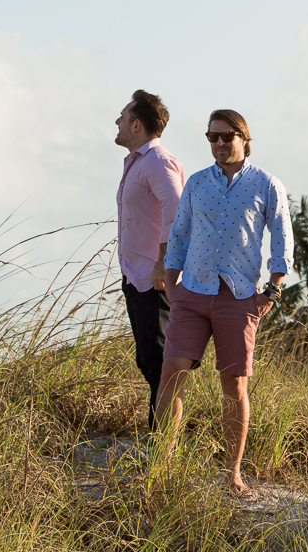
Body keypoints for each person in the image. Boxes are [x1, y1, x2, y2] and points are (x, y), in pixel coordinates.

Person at [155, 109, 293, 494]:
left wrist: (273, 290)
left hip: (239, 298)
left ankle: (232, 474)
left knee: (233, 385)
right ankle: (162, 468)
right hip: (192, 294)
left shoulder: (266, 184)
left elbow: (282, 237)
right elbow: (179, 232)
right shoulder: (198, 183)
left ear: (243, 138)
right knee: (172, 374)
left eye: (225, 137)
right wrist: (171, 283)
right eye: (211, 137)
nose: (218, 144)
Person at [115, 89, 185, 428]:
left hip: (155, 279)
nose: (117, 122)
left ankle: (163, 451)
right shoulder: (138, 163)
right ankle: (159, 444)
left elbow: (178, 212)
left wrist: (162, 262)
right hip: (137, 277)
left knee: (161, 364)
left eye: (123, 117)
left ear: (137, 125)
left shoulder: (158, 162)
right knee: (150, 363)